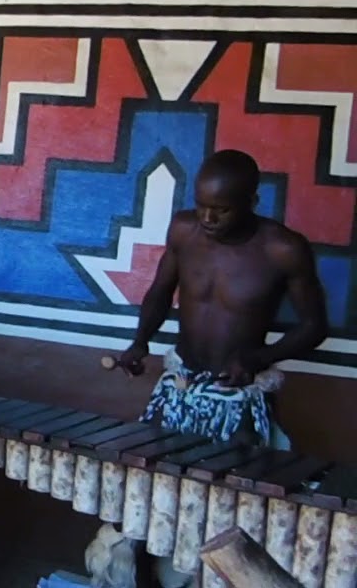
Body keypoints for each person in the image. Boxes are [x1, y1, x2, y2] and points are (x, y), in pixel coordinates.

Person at [117, 149, 328, 450]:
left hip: (239, 394)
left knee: (235, 473)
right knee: (156, 465)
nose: (207, 218)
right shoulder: (183, 230)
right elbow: (160, 290)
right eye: (200, 205)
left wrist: (257, 359)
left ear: (251, 202)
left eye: (221, 210)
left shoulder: (284, 249)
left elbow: (314, 326)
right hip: (181, 383)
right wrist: (140, 341)